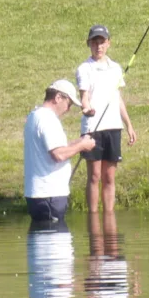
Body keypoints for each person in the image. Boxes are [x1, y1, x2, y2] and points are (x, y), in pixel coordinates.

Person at [77, 24, 137, 214]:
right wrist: (86, 109)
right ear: (89, 44)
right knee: (94, 176)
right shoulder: (84, 69)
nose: (98, 46)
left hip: (113, 127)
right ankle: (93, 217)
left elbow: (117, 98)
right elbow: (84, 96)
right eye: (95, 43)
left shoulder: (116, 68)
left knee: (109, 177)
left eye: (102, 42)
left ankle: (109, 216)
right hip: (93, 128)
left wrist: (129, 125)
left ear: (108, 43)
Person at [23, 80, 95, 223]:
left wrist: (80, 142)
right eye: (69, 104)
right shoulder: (48, 119)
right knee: (54, 239)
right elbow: (59, 154)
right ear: (58, 98)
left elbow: (55, 147)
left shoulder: (35, 115)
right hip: (49, 195)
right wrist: (82, 146)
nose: (68, 109)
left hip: (40, 195)